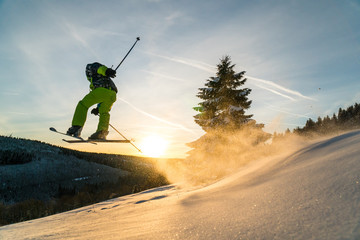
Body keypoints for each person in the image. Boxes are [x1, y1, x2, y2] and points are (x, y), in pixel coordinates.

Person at [67, 62, 117, 140]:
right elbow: (103, 98)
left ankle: (76, 127)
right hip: (112, 95)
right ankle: (102, 133)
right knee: (104, 112)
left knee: (82, 105)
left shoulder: (89, 68)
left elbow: (98, 68)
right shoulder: (106, 79)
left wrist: (106, 71)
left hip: (103, 90)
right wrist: (98, 108)